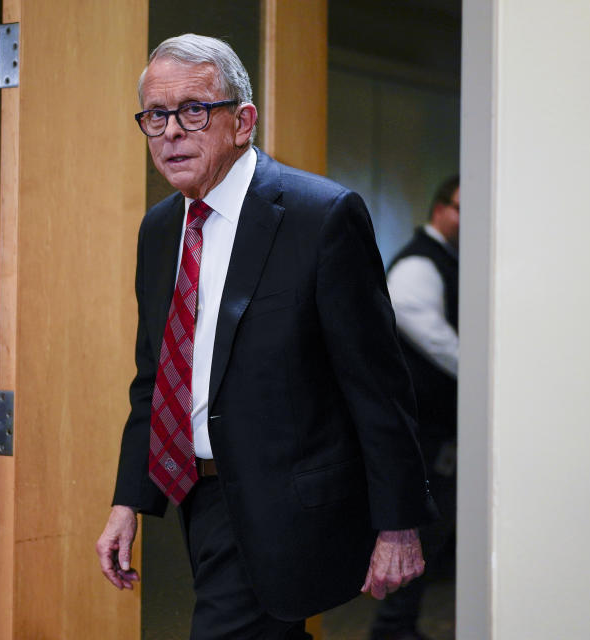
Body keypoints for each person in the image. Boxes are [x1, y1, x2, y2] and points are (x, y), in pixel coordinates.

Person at [95, 34, 436, 640]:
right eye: (155, 116)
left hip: (290, 501)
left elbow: (378, 384)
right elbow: (156, 376)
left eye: (194, 110)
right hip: (196, 498)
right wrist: (129, 501)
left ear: (243, 121)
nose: (172, 132)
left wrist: (399, 523)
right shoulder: (159, 230)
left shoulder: (320, 216)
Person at [370, 177, 460, 640]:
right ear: (440, 209)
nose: (468, 221)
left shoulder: (448, 262)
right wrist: (489, 379)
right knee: (419, 533)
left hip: (432, 426)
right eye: (462, 209)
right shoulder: (420, 265)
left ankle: (399, 626)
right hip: (419, 428)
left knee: (432, 532)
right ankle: (392, 629)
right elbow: (439, 343)